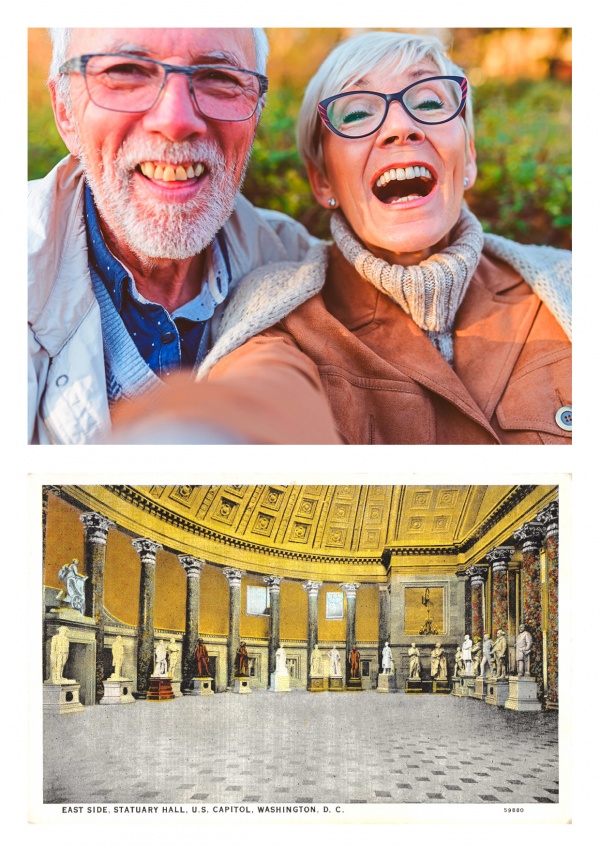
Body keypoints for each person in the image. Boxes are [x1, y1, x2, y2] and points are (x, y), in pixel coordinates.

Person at [193, 30, 571, 445]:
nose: (401, 127)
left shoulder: (569, 286)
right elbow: (257, 402)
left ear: (470, 158)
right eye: (356, 114)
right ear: (322, 181)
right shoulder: (277, 316)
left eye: (429, 103)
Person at [29, 27, 329, 445]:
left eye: (219, 78)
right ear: (65, 110)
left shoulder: (300, 266)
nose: (175, 121)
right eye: (126, 71)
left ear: (257, 112)